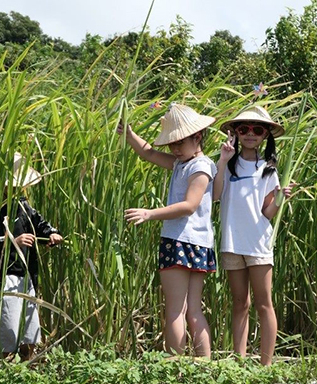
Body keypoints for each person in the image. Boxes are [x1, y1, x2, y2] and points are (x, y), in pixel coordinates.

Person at [118, 103, 217, 357]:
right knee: (191, 310)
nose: (175, 149)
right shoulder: (183, 163)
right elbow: (149, 153)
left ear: (198, 137)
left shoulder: (200, 166)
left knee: (176, 310)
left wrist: (149, 213)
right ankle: (203, 369)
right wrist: (130, 136)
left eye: (180, 143)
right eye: (172, 144)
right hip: (199, 244)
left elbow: (189, 205)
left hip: (180, 241)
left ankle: (175, 368)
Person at [213, 106, 294, 366]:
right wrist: (223, 160)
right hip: (231, 244)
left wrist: (281, 198)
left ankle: (266, 366)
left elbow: (267, 212)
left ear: (265, 135)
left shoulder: (268, 169)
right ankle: (238, 362)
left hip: (258, 244)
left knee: (264, 304)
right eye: (243, 129)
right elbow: (215, 196)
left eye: (257, 130)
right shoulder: (226, 164)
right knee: (240, 304)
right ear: (234, 132)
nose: (250, 134)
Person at [0, 153, 63, 361]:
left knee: (30, 330)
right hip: (4, 277)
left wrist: (52, 235)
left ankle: (29, 369)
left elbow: (42, 225)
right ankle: (6, 370)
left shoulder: (24, 206)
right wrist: (12, 241)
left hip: (26, 274)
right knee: (9, 329)